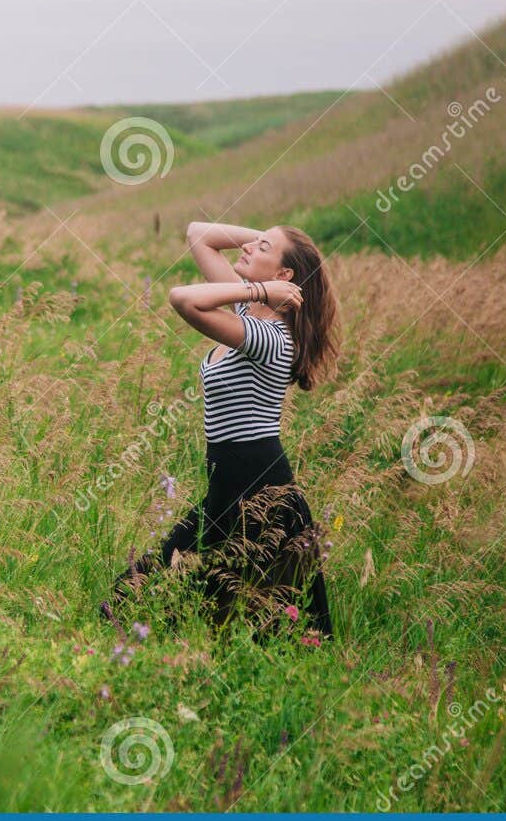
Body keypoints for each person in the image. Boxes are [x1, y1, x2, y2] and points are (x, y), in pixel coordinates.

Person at [102, 220, 340, 640]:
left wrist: (262, 287)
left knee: (248, 617)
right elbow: (197, 233)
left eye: (261, 247)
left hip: (256, 482)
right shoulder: (250, 313)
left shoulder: (268, 335)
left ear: (284, 276)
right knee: (156, 597)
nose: (246, 247)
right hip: (230, 479)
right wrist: (266, 253)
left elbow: (183, 299)